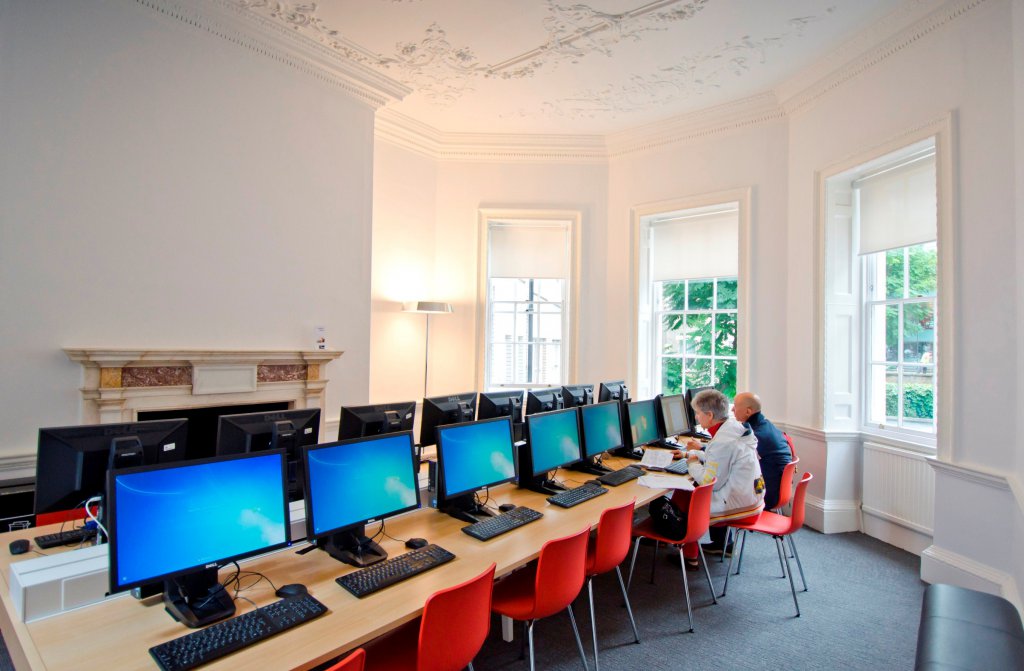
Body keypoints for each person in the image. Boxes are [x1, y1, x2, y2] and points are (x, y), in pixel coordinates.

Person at [679, 389, 765, 560]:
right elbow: (718, 459)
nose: (696, 417)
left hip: (742, 506)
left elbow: (709, 481)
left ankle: (689, 555)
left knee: (687, 496)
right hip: (751, 497)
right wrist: (689, 454)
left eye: (698, 413)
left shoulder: (723, 441)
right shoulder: (732, 427)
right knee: (687, 492)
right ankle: (703, 547)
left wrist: (692, 463)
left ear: (709, 415)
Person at [732, 391, 793, 511]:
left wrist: (701, 450)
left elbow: (730, 457)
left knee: (718, 489)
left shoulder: (755, 436)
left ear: (748, 411)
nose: (732, 409)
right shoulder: (766, 425)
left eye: (735, 406)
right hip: (778, 489)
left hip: (767, 493)